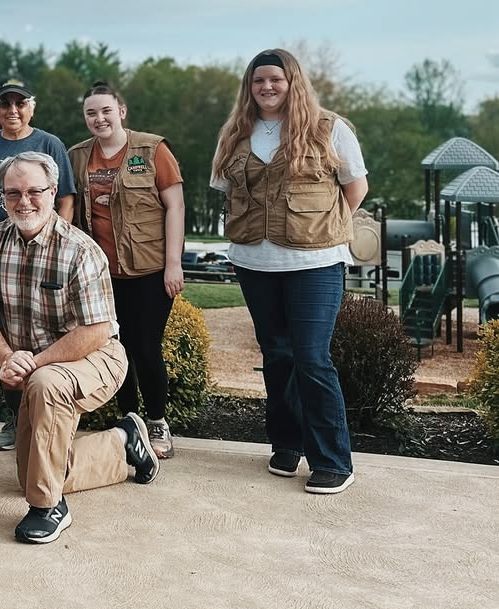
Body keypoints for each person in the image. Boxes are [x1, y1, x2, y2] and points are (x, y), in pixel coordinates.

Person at [0, 152, 160, 545]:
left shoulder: (80, 250)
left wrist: (33, 363)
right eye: (13, 193)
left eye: (35, 191)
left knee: (47, 386)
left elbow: (97, 330)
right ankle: (123, 441)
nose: (24, 201)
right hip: (33, 366)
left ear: (53, 192)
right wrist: (6, 357)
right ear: (2, 197)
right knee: (33, 474)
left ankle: (49, 508)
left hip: (95, 356)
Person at [210, 48, 368, 496]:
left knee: (312, 358)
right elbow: (227, 191)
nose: (267, 87)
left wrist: (319, 228)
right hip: (254, 264)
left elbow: (355, 188)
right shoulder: (235, 134)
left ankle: (333, 460)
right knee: (276, 355)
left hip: (315, 263)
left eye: (275, 79)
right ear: (250, 86)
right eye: (259, 81)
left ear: (292, 81)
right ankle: (286, 443)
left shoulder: (329, 128)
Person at [66, 81, 184, 459]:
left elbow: (176, 207)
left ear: (121, 111)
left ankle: (157, 421)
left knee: (144, 347)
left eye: (105, 110)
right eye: (91, 113)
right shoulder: (77, 156)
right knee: (111, 349)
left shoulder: (153, 150)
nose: (99, 119)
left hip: (149, 271)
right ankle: (128, 420)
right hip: (100, 275)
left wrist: (174, 264)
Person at [0, 77, 76, 450]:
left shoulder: (48, 144)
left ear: (31, 106)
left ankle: (48, 412)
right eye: (5, 104)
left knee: (41, 331)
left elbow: (66, 198)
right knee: (1, 337)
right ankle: (13, 415)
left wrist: (58, 242)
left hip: (40, 249)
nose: (12, 110)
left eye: (19, 103)